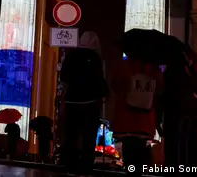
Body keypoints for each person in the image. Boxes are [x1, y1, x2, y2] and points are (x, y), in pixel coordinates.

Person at [60, 32, 108, 172]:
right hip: (90, 103)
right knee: (89, 135)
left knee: (71, 134)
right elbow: (100, 80)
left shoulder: (70, 56)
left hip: (72, 102)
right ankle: (87, 164)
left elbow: (65, 81)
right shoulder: (95, 58)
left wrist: (63, 101)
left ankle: (68, 164)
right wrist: (103, 95)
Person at [112, 51, 163, 169]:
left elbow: (115, 85)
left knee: (129, 151)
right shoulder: (154, 70)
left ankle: (130, 169)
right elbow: (159, 90)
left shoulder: (125, 66)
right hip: (145, 119)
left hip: (126, 118)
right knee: (140, 149)